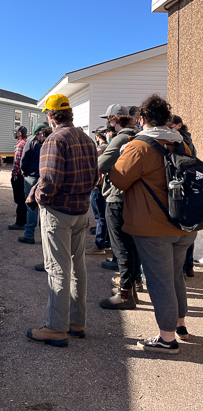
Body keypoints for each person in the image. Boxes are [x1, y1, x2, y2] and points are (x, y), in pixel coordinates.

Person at [110, 94, 196, 354]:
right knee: (174, 277)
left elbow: (119, 180)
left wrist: (120, 152)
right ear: (168, 120)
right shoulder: (182, 144)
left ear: (142, 119)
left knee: (160, 281)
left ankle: (167, 339)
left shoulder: (139, 146)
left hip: (153, 227)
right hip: (183, 224)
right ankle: (180, 325)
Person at [25, 94, 98, 347]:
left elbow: (49, 182)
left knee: (58, 269)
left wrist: (37, 197)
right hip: (80, 211)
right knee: (78, 268)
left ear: (50, 115)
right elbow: (95, 178)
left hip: (59, 212)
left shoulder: (54, 139)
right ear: (70, 113)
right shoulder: (87, 140)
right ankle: (77, 322)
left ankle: (56, 328)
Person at [96, 104, 141, 310]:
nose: (108, 123)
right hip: (132, 198)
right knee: (131, 247)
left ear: (115, 119)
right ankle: (130, 289)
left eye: (109, 119)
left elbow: (101, 165)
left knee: (121, 248)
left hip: (116, 197)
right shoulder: (138, 135)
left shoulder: (121, 137)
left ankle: (125, 295)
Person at [171, 114, 197, 277]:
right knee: (187, 231)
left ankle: (184, 267)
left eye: (171, 125)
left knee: (183, 230)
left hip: (182, 185)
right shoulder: (186, 139)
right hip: (188, 184)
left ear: (179, 125)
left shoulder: (180, 140)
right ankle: (188, 267)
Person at [19, 123, 49, 244]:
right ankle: (44, 237)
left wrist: (24, 173)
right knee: (43, 207)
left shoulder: (31, 143)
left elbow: (23, 160)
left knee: (31, 207)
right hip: (44, 178)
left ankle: (29, 234)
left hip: (31, 177)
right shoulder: (49, 143)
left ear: (39, 133)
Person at [87, 126, 111, 254]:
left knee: (100, 217)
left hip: (98, 187)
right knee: (104, 216)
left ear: (98, 136)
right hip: (106, 186)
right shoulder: (110, 148)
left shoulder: (100, 150)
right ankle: (106, 242)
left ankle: (100, 244)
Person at [8, 126, 28, 230]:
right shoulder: (26, 143)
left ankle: (20, 222)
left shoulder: (21, 144)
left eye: (15, 132)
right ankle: (24, 221)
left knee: (20, 200)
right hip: (24, 176)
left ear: (19, 133)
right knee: (23, 199)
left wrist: (14, 175)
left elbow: (17, 161)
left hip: (19, 177)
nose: (15, 133)